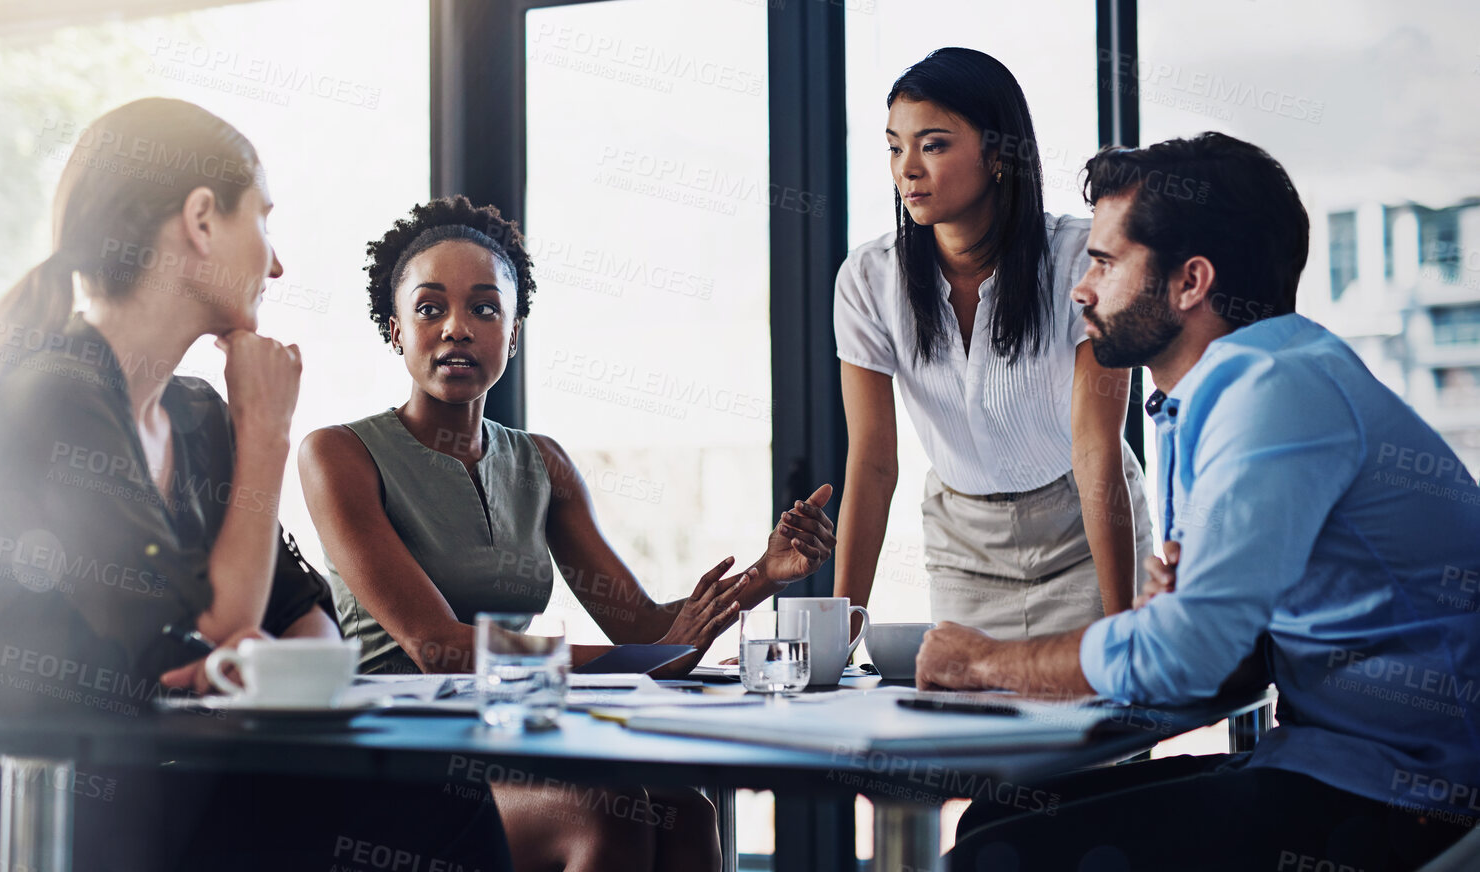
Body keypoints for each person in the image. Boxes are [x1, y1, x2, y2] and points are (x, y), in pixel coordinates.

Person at [0, 99, 511, 872]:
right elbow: (215, 623)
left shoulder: (197, 415)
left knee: (439, 807)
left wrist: (244, 649)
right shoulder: (55, 394)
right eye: (264, 222)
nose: (275, 263)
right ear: (202, 220)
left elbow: (302, 619)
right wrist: (269, 435)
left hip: (118, 790)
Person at [920, 132, 1480, 871]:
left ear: (1190, 283)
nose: (1080, 289)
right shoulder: (1223, 390)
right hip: (1332, 761)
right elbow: (1224, 658)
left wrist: (984, 661)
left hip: (1409, 797)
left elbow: (1189, 656)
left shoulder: (1271, 390)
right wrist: (1183, 618)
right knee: (995, 817)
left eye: (1106, 262)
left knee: (999, 856)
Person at [299, 195, 838, 872]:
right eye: (431, 308)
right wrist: (646, 660)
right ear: (395, 329)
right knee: (599, 822)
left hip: (513, 743)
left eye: (485, 308)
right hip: (400, 763)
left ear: (514, 332)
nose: (457, 328)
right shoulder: (338, 455)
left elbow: (641, 628)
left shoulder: (540, 464)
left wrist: (766, 573)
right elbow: (438, 648)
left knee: (683, 810)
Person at [832, 47, 1151, 641]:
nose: (908, 168)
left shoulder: (1081, 260)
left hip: (1083, 531)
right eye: (895, 147)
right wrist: (836, 637)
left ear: (999, 152)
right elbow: (872, 464)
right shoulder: (868, 279)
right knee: (969, 726)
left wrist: (1123, 631)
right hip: (964, 545)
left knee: (1104, 724)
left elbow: (1095, 449)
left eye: (933, 144)